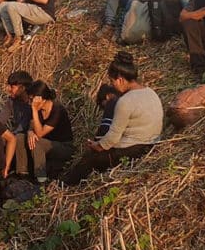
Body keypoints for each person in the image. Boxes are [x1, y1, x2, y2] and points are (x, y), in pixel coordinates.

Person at [62, 53, 162, 186]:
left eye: (112, 81)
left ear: (120, 79)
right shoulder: (151, 92)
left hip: (134, 149)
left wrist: (98, 146)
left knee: (91, 158)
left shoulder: (125, 101)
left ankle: (66, 186)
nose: (113, 85)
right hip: (153, 142)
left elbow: (112, 138)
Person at [15, 81, 74, 183]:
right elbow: (32, 126)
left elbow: (40, 133)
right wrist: (29, 132)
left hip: (62, 146)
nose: (30, 103)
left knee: (37, 141)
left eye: (31, 99)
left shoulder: (57, 110)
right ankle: (22, 174)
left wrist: (34, 109)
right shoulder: (38, 110)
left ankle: (41, 179)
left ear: (40, 98)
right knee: (20, 137)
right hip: (45, 143)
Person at [0, 70, 33, 136]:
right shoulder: (11, 101)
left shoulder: (33, 102)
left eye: (12, 87)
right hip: (18, 134)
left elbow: (23, 126)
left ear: (22, 88)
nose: (9, 90)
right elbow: (0, 120)